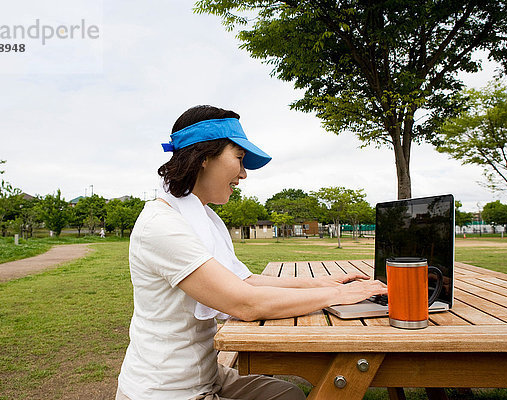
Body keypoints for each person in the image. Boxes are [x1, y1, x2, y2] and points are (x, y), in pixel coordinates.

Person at [116, 105, 388, 400]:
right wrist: (339, 297)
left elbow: (244, 281)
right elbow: (245, 302)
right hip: (168, 391)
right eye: (239, 159)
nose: (243, 174)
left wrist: (327, 283)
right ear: (204, 156)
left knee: (289, 395)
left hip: (206, 375)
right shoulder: (163, 224)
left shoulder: (201, 217)